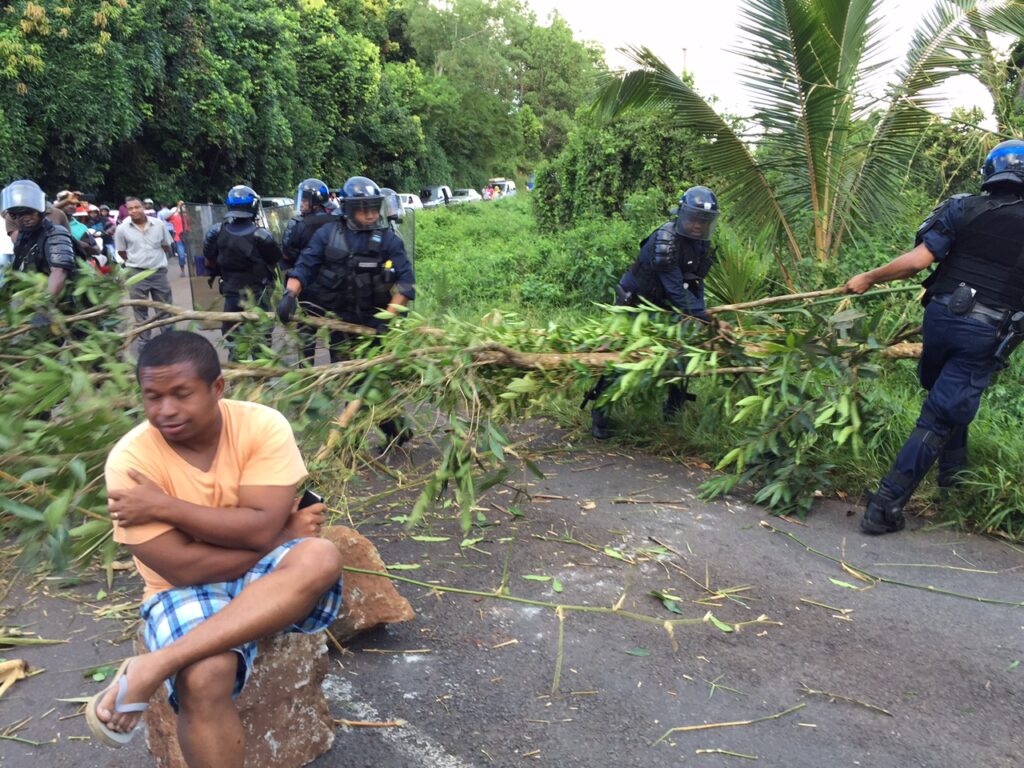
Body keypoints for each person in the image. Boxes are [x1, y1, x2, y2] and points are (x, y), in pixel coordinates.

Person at [88, 330, 344, 766]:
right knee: (204, 677)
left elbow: (260, 528)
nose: (165, 411)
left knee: (321, 555)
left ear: (217, 388)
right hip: (183, 588)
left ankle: (155, 665)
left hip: (259, 569)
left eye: (181, 394)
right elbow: (185, 568)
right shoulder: (130, 463)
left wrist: (165, 506)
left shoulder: (261, 425)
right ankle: (178, 664)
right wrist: (282, 537)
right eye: (153, 397)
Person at [844, 139, 1024, 535]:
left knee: (948, 399)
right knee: (940, 415)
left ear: (990, 172)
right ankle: (885, 506)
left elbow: (919, 262)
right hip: (986, 331)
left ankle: (953, 484)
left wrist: (869, 277)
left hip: (941, 321)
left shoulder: (962, 207)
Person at [277, 176, 415, 444]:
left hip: (377, 324)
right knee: (349, 380)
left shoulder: (388, 239)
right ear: (349, 209)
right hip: (340, 323)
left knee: (374, 381)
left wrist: (387, 319)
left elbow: (406, 285)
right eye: (365, 209)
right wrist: (289, 294)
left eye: (375, 208)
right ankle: (374, 433)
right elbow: (305, 265)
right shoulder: (328, 234)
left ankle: (372, 434)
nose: (371, 214)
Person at [589, 186, 730, 439]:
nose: (699, 225)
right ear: (682, 214)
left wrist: (701, 317)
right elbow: (677, 291)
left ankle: (673, 411)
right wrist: (708, 319)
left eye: (704, 220)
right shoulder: (665, 241)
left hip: (667, 307)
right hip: (636, 305)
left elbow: (696, 282)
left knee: (683, 353)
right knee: (619, 358)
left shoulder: (701, 245)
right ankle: (600, 414)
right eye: (695, 218)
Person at [202, 185, 282, 359]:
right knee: (261, 342)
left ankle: (238, 377)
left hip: (231, 294)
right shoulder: (262, 236)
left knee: (234, 341)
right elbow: (275, 259)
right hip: (258, 295)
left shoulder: (216, 232)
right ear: (253, 206)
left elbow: (209, 261)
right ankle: (260, 382)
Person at [115, 196, 175, 351]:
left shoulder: (159, 224)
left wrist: (156, 260)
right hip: (136, 274)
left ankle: (170, 343)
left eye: (137, 207)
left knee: (165, 308)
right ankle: (145, 345)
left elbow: (166, 246)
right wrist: (136, 262)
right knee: (140, 310)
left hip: (158, 273)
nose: (134, 211)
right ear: (127, 211)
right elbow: (121, 252)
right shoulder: (122, 229)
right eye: (130, 208)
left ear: (143, 207)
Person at [1, 179, 77, 301]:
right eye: (19, 215)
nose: (25, 218)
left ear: (40, 211)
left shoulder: (56, 233)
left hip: (58, 304)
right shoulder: (23, 236)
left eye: (30, 212)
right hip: (30, 298)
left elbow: (59, 271)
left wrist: (44, 304)